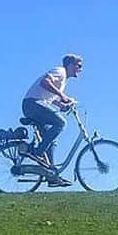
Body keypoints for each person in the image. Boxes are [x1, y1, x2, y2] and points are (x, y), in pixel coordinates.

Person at [22, 54, 83, 187]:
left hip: (36, 105)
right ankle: (36, 152)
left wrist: (62, 105)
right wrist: (63, 95)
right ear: (70, 65)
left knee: (51, 140)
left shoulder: (63, 80)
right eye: (78, 65)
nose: (80, 68)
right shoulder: (60, 72)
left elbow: (51, 97)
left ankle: (51, 175)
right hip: (33, 104)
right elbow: (45, 82)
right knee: (61, 123)